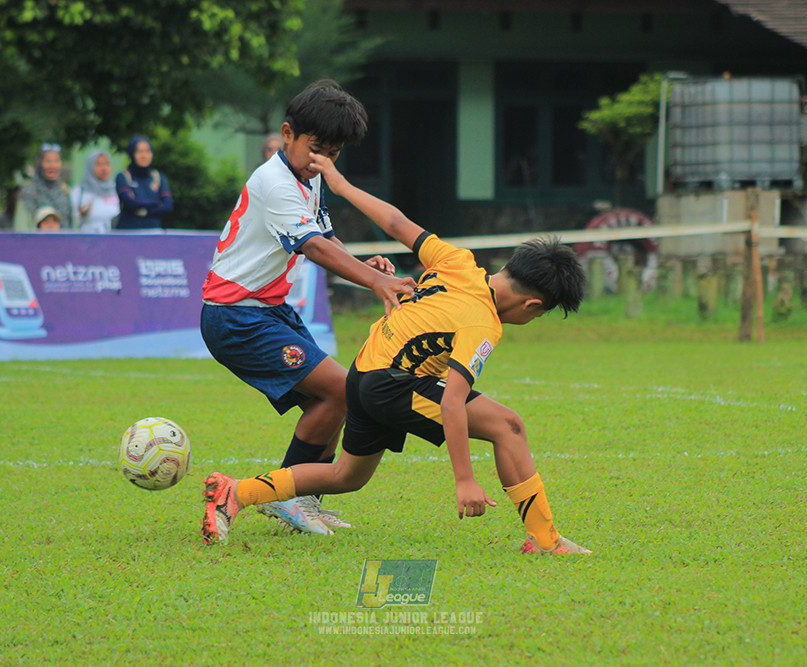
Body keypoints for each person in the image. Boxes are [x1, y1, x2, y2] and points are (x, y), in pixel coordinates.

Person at [201, 153, 592, 556]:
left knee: (346, 475)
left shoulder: (457, 261)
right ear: (531, 306)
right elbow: (453, 401)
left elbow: (395, 222)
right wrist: (465, 479)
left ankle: (237, 492)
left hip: (364, 372)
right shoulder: (484, 324)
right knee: (508, 425)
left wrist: (342, 185)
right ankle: (547, 540)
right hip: (392, 384)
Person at [199, 79, 416, 535]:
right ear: (286, 134)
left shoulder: (306, 176)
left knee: (335, 396)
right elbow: (313, 247)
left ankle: (303, 502)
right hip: (237, 315)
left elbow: (324, 236)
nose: (322, 161)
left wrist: (362, 265)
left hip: (267, 310)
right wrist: (378, 280)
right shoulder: (275, 182)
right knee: (342, 389)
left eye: (332, 154)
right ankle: (288, 498)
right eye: (316, 148)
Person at [113, 136, 173, 230]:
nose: (144, 155)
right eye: (139, 151)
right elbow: (130, 203)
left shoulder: (158, 177)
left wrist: (145, 211)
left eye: (147, 151)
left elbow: (168, 206)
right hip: (128, 232)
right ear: (132, 154)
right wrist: (156, 203)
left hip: (153, 231)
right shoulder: (123, 177)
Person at [14, 143, 73, 230]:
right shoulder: (29, 191)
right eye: (48, 161)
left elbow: (72, 223)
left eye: (56, 161)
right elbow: (21, 228)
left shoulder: (65, 190)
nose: (52, 166)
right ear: (40, 163)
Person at [72, 150, 119, 233]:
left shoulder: (116, 190)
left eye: (107, 164)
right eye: (99, 164)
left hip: (112, 240)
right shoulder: (80, 192)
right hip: (87, 239)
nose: (104, 168)